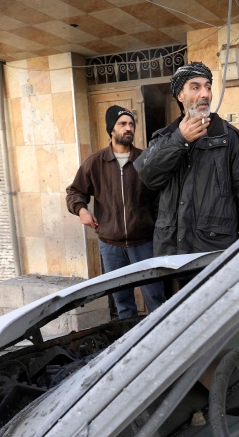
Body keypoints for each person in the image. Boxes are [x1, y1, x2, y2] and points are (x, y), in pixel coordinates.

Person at [135, 62, 239, 256]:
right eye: (195, 87)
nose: (205, 94)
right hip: (171, 254)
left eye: (208, 87)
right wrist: (179, 140)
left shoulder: (229, 138)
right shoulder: (164, 138)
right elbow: (148, 176)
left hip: (214, 254)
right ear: (180, 95)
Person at [66, 105, 165, 319]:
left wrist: (156, 226)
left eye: (131, 124)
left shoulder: (145, 159)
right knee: (123, 303)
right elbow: (74, 192)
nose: (128, 128)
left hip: (144, 243)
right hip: (111, 246)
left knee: (155, 298)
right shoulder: (95, 162)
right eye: (122, 124)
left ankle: (161, 337)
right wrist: (81, 210)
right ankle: (129, 338)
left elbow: (160, 197)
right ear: (111, 129)